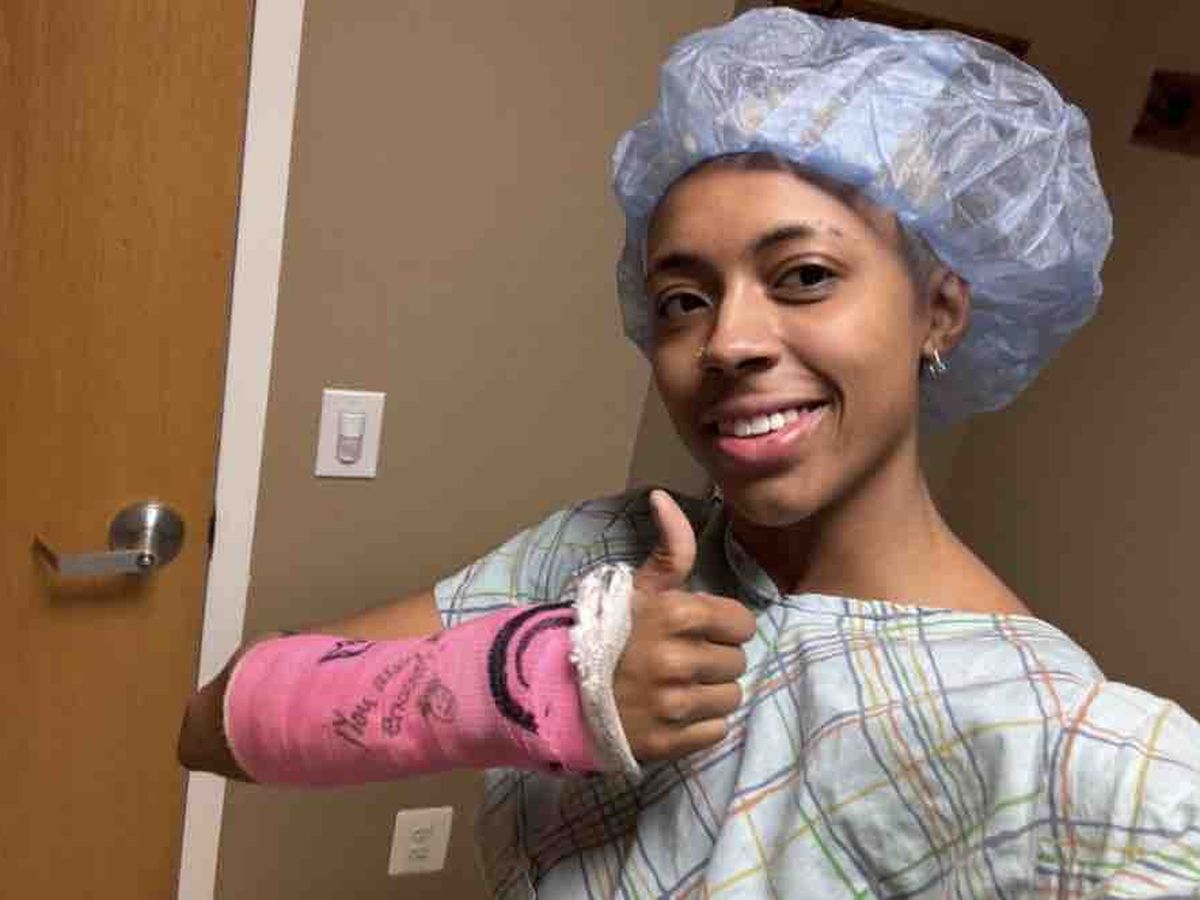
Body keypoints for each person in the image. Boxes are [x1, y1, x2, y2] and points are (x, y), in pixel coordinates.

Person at [180, 9, 1200, 897]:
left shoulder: (1063, 747)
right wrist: (541, 684)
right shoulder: (598, 558)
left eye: (803, 275)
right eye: (682, 299)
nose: (726, 343)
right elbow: (219, 719)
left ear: (939, 311)